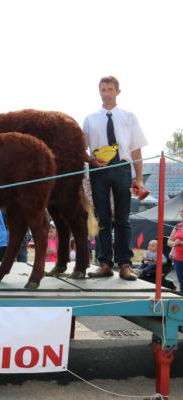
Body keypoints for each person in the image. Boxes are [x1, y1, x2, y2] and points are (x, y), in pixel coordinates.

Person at [83, 76, 148, 281]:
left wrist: (139, 179)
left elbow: (136, 150)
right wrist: (90, 160)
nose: (107, 93)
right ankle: (104, 263)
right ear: (99, 92)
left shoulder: (129, 117)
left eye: (110, 89)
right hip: (98, 169)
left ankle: (125, 264)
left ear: (118, 92)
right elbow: (81, 149)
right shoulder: (90, 119)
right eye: (103, 90)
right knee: (102, 217)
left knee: (122, 218)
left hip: (121, 167)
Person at [168, 205, 183, 291]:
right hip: (178, 259)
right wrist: (174, 243)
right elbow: (169, 241)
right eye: (181, 211)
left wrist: (181, 242)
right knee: (181, 283)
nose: (182, 213)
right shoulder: (178, 226)